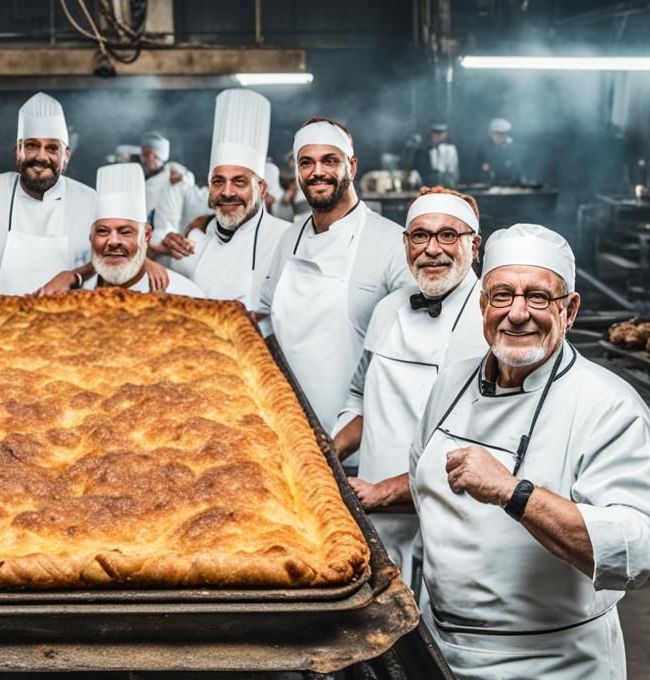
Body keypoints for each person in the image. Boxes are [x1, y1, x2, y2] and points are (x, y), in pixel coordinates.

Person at [404, 223, 650, 680]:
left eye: (537, 297)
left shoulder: (607, 407)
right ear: (481, 303)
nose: (517, 312)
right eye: (501, 295)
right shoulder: (454, 381)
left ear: (569, 310)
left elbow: (635, 546)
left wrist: (516, 492)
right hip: (450, 671)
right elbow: (428, 488)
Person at [332, 187, 486, 585]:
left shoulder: (491, 322)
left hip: (448, 524)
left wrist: (385, 491)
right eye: (420, 236)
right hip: (375, 516)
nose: (432, 249)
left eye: (448, 235)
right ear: (406, 244)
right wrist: (327, 453)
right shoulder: (388, 309)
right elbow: (359, 397)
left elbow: (480, 444)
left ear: (475, 245)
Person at [267, 116, 415, 437]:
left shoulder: (391, 242)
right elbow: (267, 325)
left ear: (352, 165)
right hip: (290, 434)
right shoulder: (288, 239)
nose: (317, 172)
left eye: (329, 161)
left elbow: (414, 352)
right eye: (306, 162)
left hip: (364, 441)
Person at [0, 92, 97, 294]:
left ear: (66, 156)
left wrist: (77, 275)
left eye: (52, 148)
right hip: (2, 321)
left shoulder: (91, 202)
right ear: (17, 151)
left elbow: (118, 255)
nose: (41, 156)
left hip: (71, 322)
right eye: (31, 146)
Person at [166, 88, 290, 321]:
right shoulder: (195, 236)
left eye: (239, 182)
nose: (227, 192)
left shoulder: (287, 239)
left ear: (261, 189)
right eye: (218, 181)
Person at [51, 162, 203, 295]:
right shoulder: (71, 292)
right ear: (91, 236)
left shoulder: (184, 295)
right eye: (103, 231)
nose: (113, 241)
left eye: (125, 232)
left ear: (147, 235)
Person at [477, 117, 523, 184]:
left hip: (512, 185)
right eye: (496, 134)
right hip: (491, 185)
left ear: (506, 135)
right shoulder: (485, 148)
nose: (498, 137)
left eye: (501, 134)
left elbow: (517, 171)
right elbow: (482, 169)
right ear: (491, 134)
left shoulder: (514, 149)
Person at [419, 123, 459, 188]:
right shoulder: (427, 150)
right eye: (435, 134)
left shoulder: (450, 149)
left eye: (440, 134)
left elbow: (453, 169)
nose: (437, 136)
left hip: (446, 182)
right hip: (431, 184)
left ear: (445, 135)